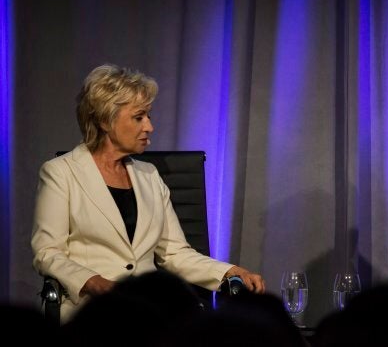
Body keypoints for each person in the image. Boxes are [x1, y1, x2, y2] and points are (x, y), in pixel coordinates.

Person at [31, 64, 265, 323]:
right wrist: (94, 282)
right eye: (139, 117)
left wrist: (228, 271)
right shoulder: (61, 173)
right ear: (105, 121)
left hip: (148, 310)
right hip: (91, 311)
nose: (150, 127)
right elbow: (48, 252)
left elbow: (174, 253)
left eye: (148, 116)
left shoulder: (149, 175)